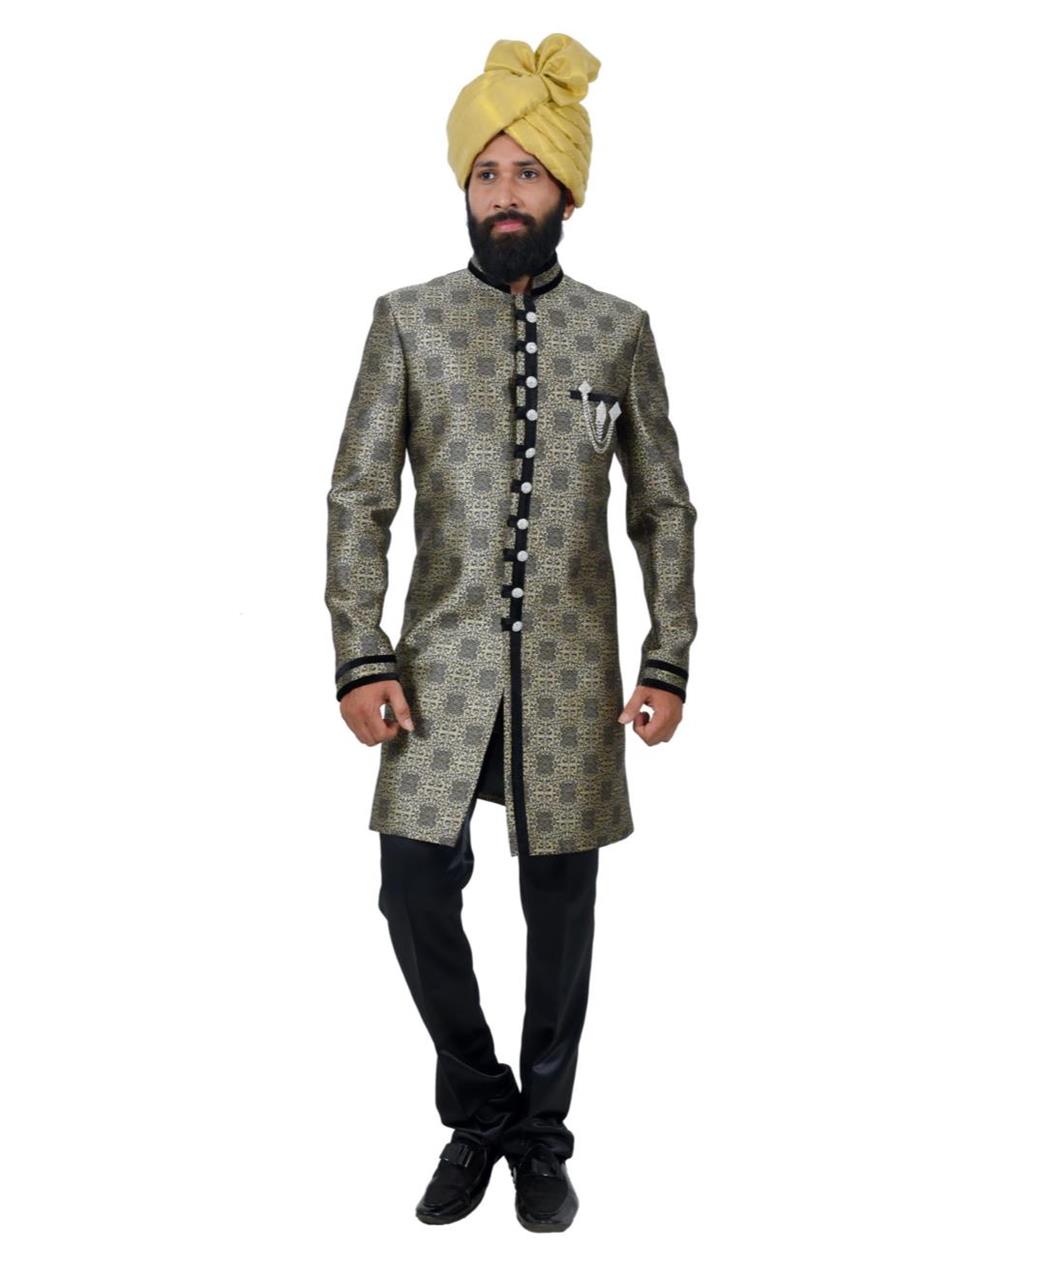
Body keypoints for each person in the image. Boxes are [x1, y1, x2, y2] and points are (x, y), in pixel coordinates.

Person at [325, 32, 697, 1232]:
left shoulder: (618, 332)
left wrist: (669, 653)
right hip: (435, 669)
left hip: (575, 674)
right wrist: (359, 649)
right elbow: (360, 497)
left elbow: (662, 505)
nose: (503, 193)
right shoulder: (409, 321)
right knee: (411, 886)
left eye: (526, 172)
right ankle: (480, 1108)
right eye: (485, 172)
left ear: (565, 193)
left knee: (561, 908)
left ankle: (541, 1137)